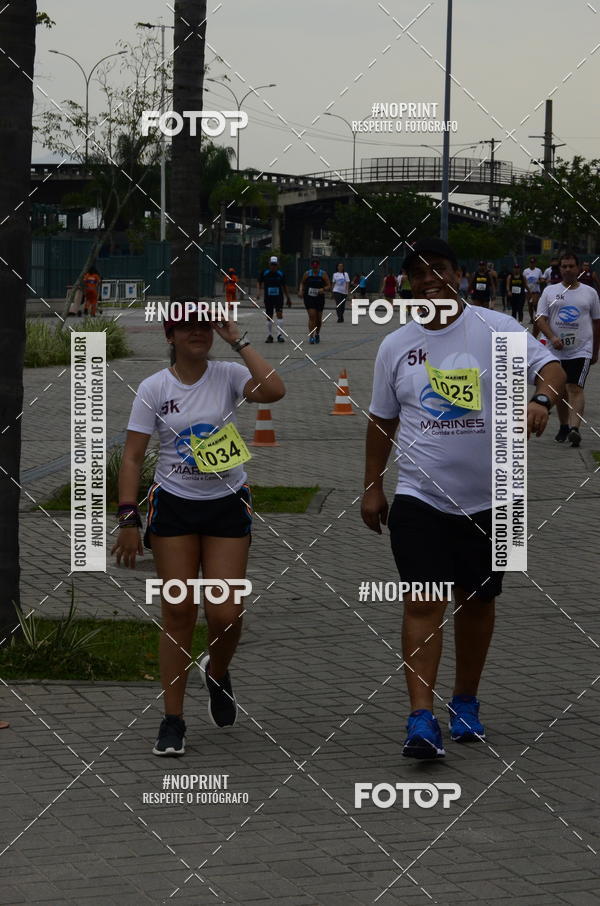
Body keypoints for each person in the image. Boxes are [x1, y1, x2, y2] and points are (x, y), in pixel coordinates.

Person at [361, 237, 564, 760]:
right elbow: (382, 420)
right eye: (419, 274)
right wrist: (372, 487)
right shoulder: (395, 346)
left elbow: (552, 369)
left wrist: (540, 399)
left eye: (441, 269)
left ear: (461, 274)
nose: (430, 280)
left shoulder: (497, 328)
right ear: (407, 283)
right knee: (424, 600)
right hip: (419, 497)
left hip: (500, 495)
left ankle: (466, 703)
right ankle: (421, 718)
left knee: (479, 601)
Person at [112, 299, 285, 756]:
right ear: (169, 336)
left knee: (226, 615)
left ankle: (216, 671)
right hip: (175, 508)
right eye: (187, 327)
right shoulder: (154, 387)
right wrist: (128, 517)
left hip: (226, 504)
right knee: (179, 613)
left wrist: (240, 341)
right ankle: (172, 719)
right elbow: (132, 457)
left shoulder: (228, 374)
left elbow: (274, 391)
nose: (198, 333)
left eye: (205, 327)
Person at [536, 251, 600, 448]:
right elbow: (540, 318)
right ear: (560, 269)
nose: (567, 270)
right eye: (564, 266)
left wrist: (595, 350)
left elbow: (597, 323)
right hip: (554, 351)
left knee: (575, 388)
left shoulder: (590, 293)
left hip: (581, 349)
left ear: (578, 268)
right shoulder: (549, 291)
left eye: (571, 266)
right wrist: (552, 337)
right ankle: (564, 426)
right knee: (560, 391)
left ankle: (575, 429)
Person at [257, 256, 291, 343]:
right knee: (269, 316)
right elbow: (259, 282)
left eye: (275, 265)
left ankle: (279, 335)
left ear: (277, 265)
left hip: (278, 297)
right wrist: (258, 292)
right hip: (268, 298)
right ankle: (270, 335)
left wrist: (288, 298)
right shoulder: (264, 273)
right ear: (269, 264)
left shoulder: (281, 274)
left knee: (279, 314)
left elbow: (285, 286)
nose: (273, 266)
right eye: (272, 264)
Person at [299, 258, 331, 344]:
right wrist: (301, 290)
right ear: (311, 267)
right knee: (312, 316)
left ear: (319, 266)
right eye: (313, 268)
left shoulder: (323, 274)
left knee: (318, 319)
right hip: (309, 297)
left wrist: (323, 289)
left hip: (319, 298)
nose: (315, 269)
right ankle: (311, 336)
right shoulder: (307, 274)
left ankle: (317, 334)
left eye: (316, 268)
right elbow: (302, 283)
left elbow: (328, 285)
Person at [523, 256, 543, 335]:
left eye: (533, 262)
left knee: (535, 303)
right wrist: (526, 288)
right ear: (529, 263)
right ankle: (531, 318)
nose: (532, 264)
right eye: (531, 262)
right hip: (528, 291)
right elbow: (524, 280)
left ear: (535, 263)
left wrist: (539, 281)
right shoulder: (525, 271)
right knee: (530, 305)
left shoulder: (538, 270)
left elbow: (542, 279)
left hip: (536, 291)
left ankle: (537, 316)